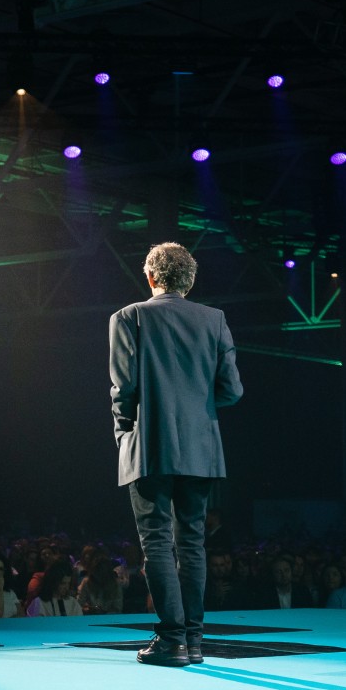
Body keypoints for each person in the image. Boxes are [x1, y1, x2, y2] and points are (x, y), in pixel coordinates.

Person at [110, 242, 243, 667]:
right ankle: (194, 640)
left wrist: (122, 431)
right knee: (192, 544)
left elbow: (124, 388)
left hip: (149, 443)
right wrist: (196, 407)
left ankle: (171, 641)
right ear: (190, 280)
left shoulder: (129, 316)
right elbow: (233, 390)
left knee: (157, 545)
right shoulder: (215, 320)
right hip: (202, 448)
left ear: (150, 277)